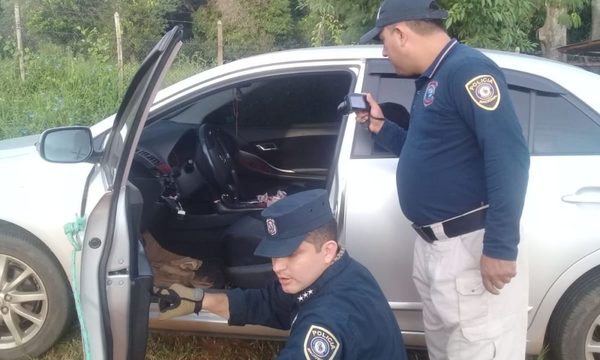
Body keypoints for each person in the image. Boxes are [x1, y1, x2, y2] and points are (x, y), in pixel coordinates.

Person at [357, 0, 530, 359]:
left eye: (383, 41)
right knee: (446, 351)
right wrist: (380, 127)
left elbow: (509, 157)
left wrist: (500, 246)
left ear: (401, 33)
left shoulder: (467, 71)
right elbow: (430, 154)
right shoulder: (433, 79)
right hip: (436, 248)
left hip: (469, 247)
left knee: (479, 348)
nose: (384, 52)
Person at [157, 189, 408, 359]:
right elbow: (268, 302)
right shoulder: (343, 271)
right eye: (275, 254)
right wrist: (200, 299)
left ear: (328, 250)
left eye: (291, 254)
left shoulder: (325, 322)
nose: (277, 266)